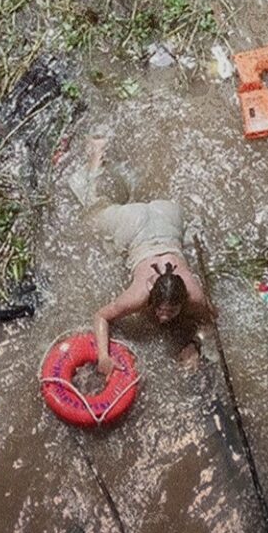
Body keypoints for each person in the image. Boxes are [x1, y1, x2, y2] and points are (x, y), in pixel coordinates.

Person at [74, 137, 213, 376]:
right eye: (160, 310)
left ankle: (111, 162)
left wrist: (195, 345)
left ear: (184, 300)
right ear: (151, 293)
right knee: (90, 213)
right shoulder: (138, 295)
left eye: (171, 311)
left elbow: (212, 320)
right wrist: (103, 356)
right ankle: (97, 152)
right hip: (136, 224)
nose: (163, 317)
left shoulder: (194, 296)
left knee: (101, 206)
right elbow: (101, 316)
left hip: (169, 217)